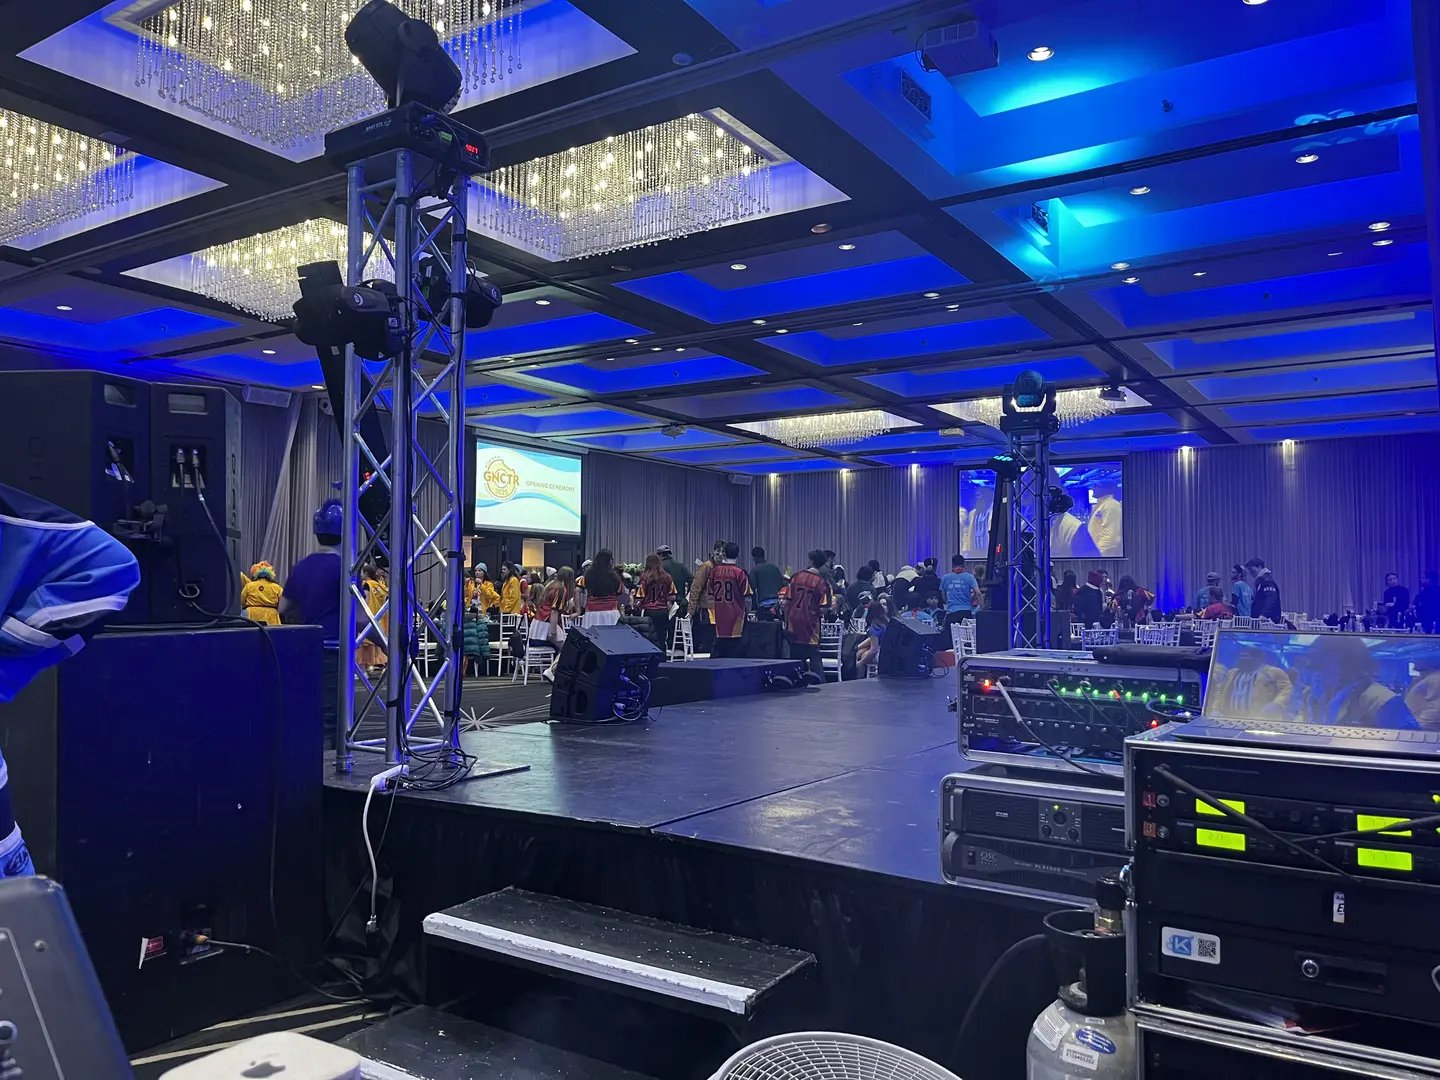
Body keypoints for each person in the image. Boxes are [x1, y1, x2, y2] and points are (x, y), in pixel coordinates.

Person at [280, 499, 345, 749]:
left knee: (312, 714)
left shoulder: (301, 566)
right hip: (334, 650)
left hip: (308, 649)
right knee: (335, 719)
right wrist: (385, 643)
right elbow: (361, 618)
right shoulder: (344, 568)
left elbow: (283, 607)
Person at [1290, 635, 1416, 729]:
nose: (1319, 675)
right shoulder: (1312, 694)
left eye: (1325, 664)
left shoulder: (1383, 701)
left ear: (1350, 663)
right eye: (1318, 668)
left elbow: (1413, 744)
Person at [784, 549, 832, 678]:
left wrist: (787, 620)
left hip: (793, 623)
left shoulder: (796, 577)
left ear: (811, 561)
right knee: (814, 656)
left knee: (795, 657)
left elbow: (786, 602)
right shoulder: (822, 582)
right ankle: (821, 684)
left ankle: (794, 681)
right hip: (811, 624)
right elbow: (824, 608)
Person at [528, 567, 576, 680]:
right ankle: (552, 670)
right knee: (569, 648)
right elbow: (554, 611)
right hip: (548, 623)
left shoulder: (551, 585)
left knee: (566, 647)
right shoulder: (561, 590)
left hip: (538, 622)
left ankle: (555, 671)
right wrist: (553, 632)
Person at [706, 541, 751, 658]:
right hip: (736, 617)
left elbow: (710, 592)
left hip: (719, 616)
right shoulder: (739, 573)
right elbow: (747, 595)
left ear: (724, 553)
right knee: (734, 652)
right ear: (738, 555)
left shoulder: (714, 571)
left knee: (719, 650)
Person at [637, 554, 676, 648]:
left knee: (649, 637)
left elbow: (640, 596)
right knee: (662, 637)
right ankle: (662, 654)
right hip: (663, 611)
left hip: (649, 611)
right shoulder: (667, 577)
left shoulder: (644, 577)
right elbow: (673, 596)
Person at [578, 549, 626, 628]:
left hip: (591, 612)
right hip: (610, 612)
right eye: (611, 559)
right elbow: (618, 594)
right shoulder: (615, 576)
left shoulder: (587, 574)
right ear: (608, 561)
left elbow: (577, 590)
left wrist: (578, 610)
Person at [940, 555, 980, 627]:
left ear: (952, 564)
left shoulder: (945, 578)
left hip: (951, 612)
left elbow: (943, 597)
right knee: (967, 634)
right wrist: (982, 608)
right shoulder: (970, 577)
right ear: (963, 564)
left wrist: (950, 602)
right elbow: (978, 593)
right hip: (966, 612)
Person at [855, 597, 890, 673]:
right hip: (890, 651)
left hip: (881, 655)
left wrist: (860, 663)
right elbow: (871, 640)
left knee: (862, 655)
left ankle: (859, 676)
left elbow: (874, 650)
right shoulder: (887, 622)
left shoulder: (875, 627)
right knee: (861, 651)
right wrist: (857, 647)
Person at [750, 546, 784, 619]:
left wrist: (753, 607)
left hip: (764, 606)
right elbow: (782, 585)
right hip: (778, 605)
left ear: (754, 558)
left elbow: (751, 589)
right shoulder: (775, 568)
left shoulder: (755, 570)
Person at [1246, 557, 1282, 624]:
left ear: (1259, 567)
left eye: (1251, 569)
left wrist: (1264, 614)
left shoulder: (1267, 581)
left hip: (1267, 621)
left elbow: (1271, 598)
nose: (1250, 572)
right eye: (1249, 569)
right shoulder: (1260, 581)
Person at [658, 545, 692, 615]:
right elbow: (693, 581)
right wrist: (686, 598)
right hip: (680, 604)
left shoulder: (658, 567)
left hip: (662, 605)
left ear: (660, 555)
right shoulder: (681, 566)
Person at [462, 605, 491, 677]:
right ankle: (464, 672)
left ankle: (462, 671)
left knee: (464, 653)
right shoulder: (479, 621)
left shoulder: (457, 620)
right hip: (474, 648)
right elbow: (483, 637)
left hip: (461, 645)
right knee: (466, 653)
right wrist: (485, 654)